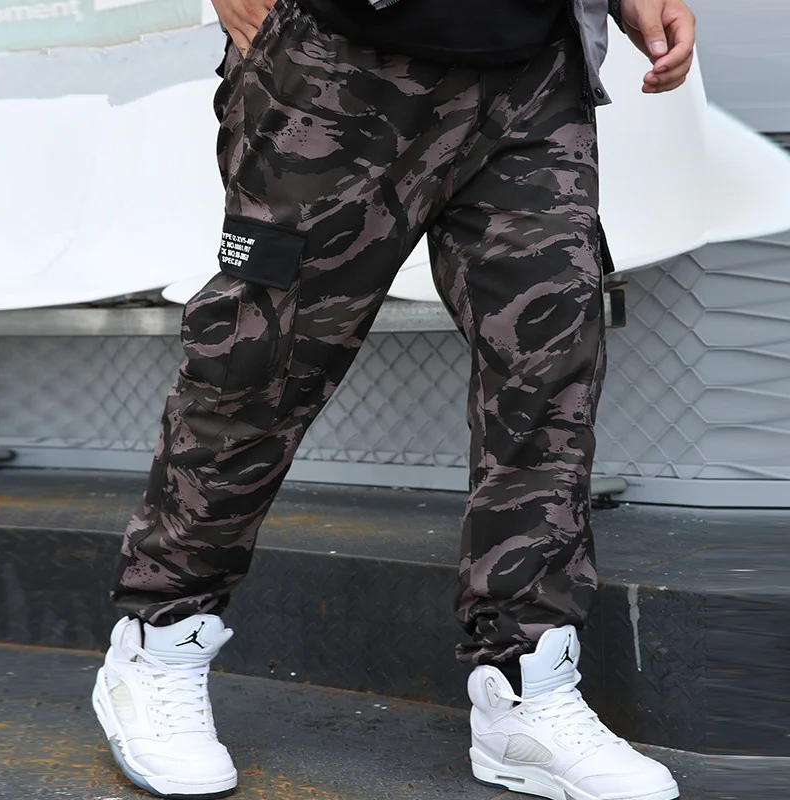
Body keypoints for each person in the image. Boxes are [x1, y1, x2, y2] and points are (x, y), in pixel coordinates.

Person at [91, 0, 695, 797]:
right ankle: (158, 640)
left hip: (532, 72)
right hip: (337, 60)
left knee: (548, 373)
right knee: (262, 362)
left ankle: (525, 686)